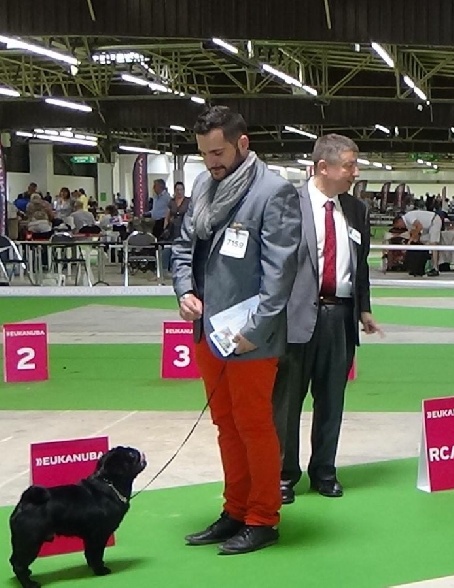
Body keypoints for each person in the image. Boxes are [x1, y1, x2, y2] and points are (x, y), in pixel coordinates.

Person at [171, 106, 301, 554]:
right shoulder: (206, 186)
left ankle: (263, 517)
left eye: (219, 151)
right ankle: (235, 510)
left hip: (249, 336)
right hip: (207, 330)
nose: (211, 162)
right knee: (226, 425)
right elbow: (184, 244)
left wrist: (257, 328)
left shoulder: (274, 192)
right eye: (205, 153)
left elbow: (281, 272)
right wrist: (184, 289)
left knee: (254, 425)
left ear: (242, 143)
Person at [272, 133, 381, 505]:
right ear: (323, 167)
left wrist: (363, 307)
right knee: (287, 402)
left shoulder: (357, 210)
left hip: (341, 318)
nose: (355, 172)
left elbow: (359, 264)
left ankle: (324, 471)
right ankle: (284, 475)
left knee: (332, 399)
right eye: (350, 165)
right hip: (296, 318)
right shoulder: (288, 203)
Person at [398, 208, 443, 276]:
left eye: (398, 226)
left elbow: (419, 227)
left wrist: (411, 240)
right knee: (423, 242)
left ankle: (435, 268)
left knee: (434, 244)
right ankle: (421, 267)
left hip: (434, 221)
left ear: (399, 221)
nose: (399, 228)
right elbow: (415, 233)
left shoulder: (409, 217)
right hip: (427, 226)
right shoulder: (408, 224)